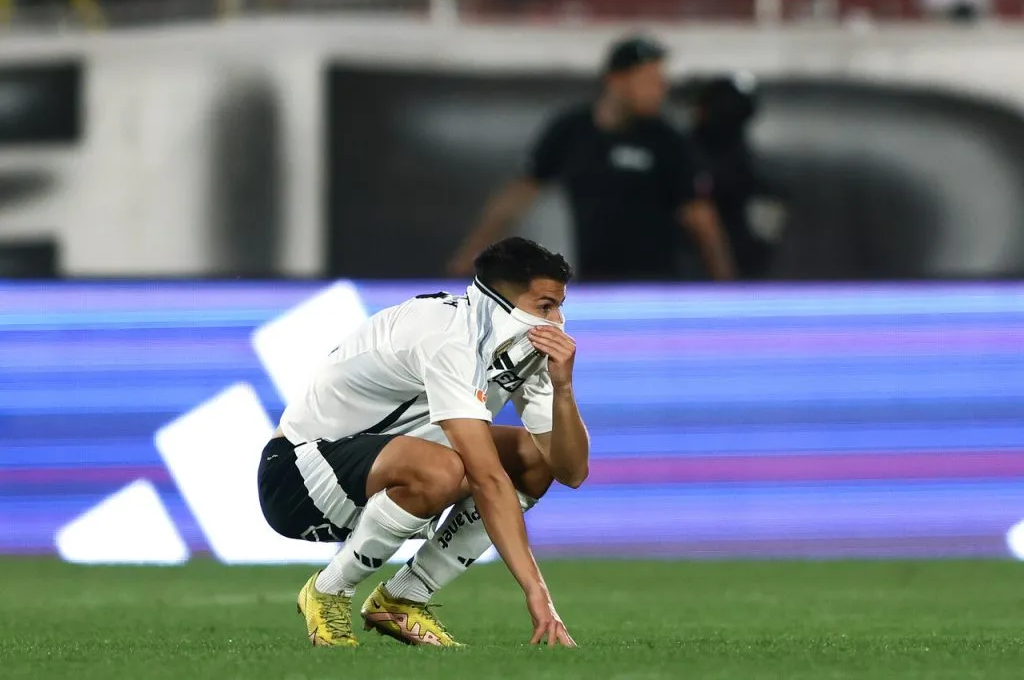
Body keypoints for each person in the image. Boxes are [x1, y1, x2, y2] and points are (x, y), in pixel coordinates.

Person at [257, 237, 589, 648]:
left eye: (560, 306)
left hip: (388, 462)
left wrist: (564, 388)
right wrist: (537, 592)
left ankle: (404, 598)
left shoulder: (521, 347)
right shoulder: (448, 338)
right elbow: (486, 479)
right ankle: (328, 591)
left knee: (531, 460)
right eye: (544, 306)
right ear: (500, 303)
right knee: (444, 470)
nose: (556, 321)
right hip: (297, 478)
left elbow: (570, 471)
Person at [447, 35, 736, 282]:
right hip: (595, 283)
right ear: (616, 80)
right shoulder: (571, 131)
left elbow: (701, 217)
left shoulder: (666, 140)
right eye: (650, 79)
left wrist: (725, 283)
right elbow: (519, 194)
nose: (661, 88)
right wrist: (470, 253)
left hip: (655, 288)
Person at [687, 75, 774, 279]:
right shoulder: (685, 154)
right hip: (692, 267)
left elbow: (766, 229)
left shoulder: (746, 162)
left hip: (735, 265)